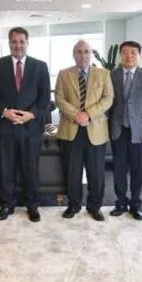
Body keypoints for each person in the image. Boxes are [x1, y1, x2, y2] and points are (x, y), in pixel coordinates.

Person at [0, 27, 50, 222]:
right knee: (6, 169)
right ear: (9, 43)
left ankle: (33, 205)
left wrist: (31, 115)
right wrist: (4, 111)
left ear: (27, 43)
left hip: (31, 129)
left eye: (21, 41)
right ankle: (7, 204)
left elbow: (44, 98)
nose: (18, 45)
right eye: (14, 41)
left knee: (31, 169)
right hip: (4, 127)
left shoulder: (40, 66)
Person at [54, 40, 113, 221]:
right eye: (79, 52)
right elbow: (59, 98)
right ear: (74, 54)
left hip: (95, 129)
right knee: (72, 172)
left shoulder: (103, 74)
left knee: (96, 173)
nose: (83, 55)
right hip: (71, 129)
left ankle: (94, 207)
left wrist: (88, 114)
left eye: (86, 51)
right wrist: (76, 115)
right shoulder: (64, 74)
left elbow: (108, 98)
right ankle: (73, 205)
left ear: (91, 54)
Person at [108, 41, 142, 220]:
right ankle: (120, 202)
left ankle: (135, 204)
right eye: (125, 52)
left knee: (138, 169)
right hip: (118, 130)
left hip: (140, 131)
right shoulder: (112, 75)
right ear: (120, 55)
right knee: (119, 169)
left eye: (133, 52)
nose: (128, 56)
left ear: (139, 55)